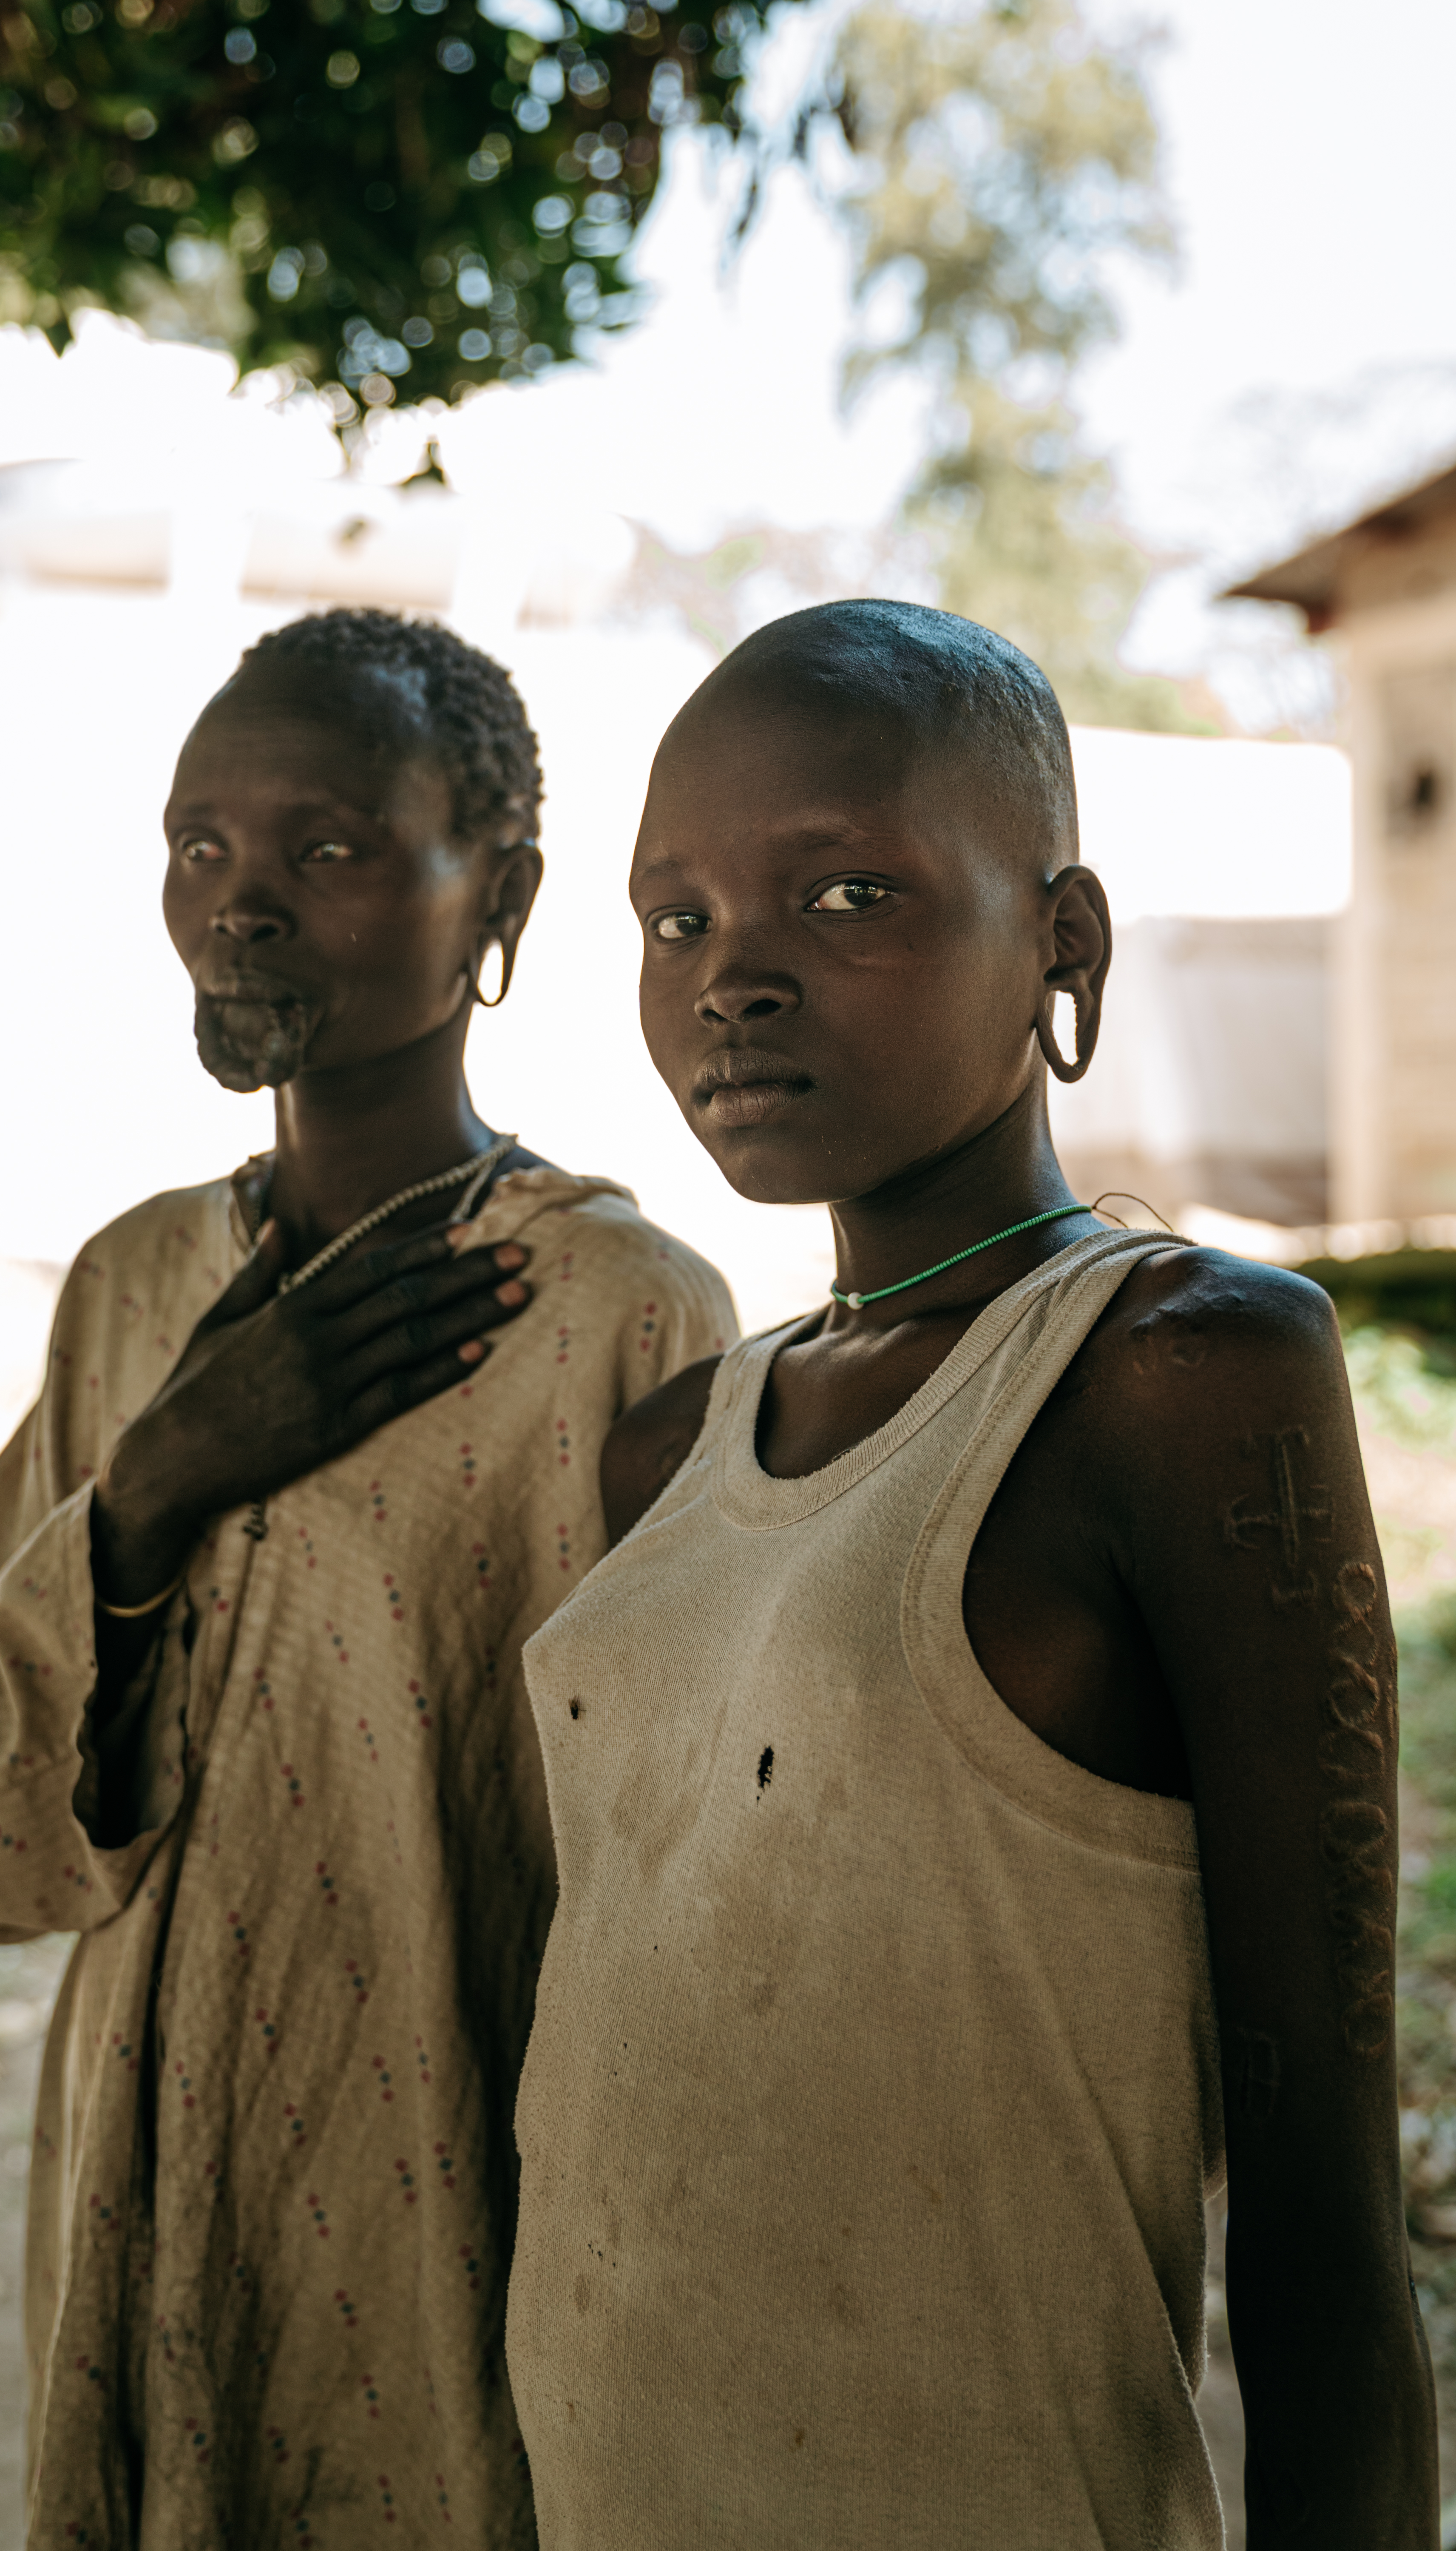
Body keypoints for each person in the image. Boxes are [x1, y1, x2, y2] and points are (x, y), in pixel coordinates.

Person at [504, 599, 1438, 2548]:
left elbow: (1321, 2196)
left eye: (844, 892)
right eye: (672, 918)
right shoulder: (673, 1449)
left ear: (1061, 946)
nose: (730, 977)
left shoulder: (1171, 1374)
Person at [0, 608, 735, 2550]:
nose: (241, 904)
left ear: (493, 892)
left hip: (453, 2188)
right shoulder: (134, 1287)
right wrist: (160, 1483)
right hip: (141, 2169)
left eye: (328, 849)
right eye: (202, 847)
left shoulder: (617, 1310)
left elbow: (687, 1859)